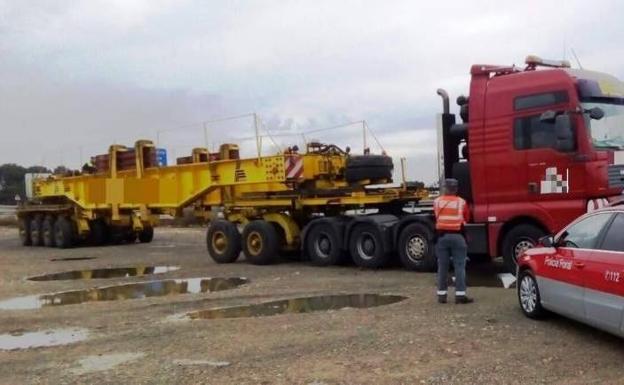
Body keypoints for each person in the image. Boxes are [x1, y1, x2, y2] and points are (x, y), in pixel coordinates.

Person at [433, 178, 473, 304]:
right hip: (458, 237)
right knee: (460, 267)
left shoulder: (437, 202)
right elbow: (467, 218)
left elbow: (435, 216)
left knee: (442, 266)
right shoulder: (461, 202)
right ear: (456, 189)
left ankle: (442, 296)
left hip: (442, 238)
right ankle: (460, 296)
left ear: (445, 188)